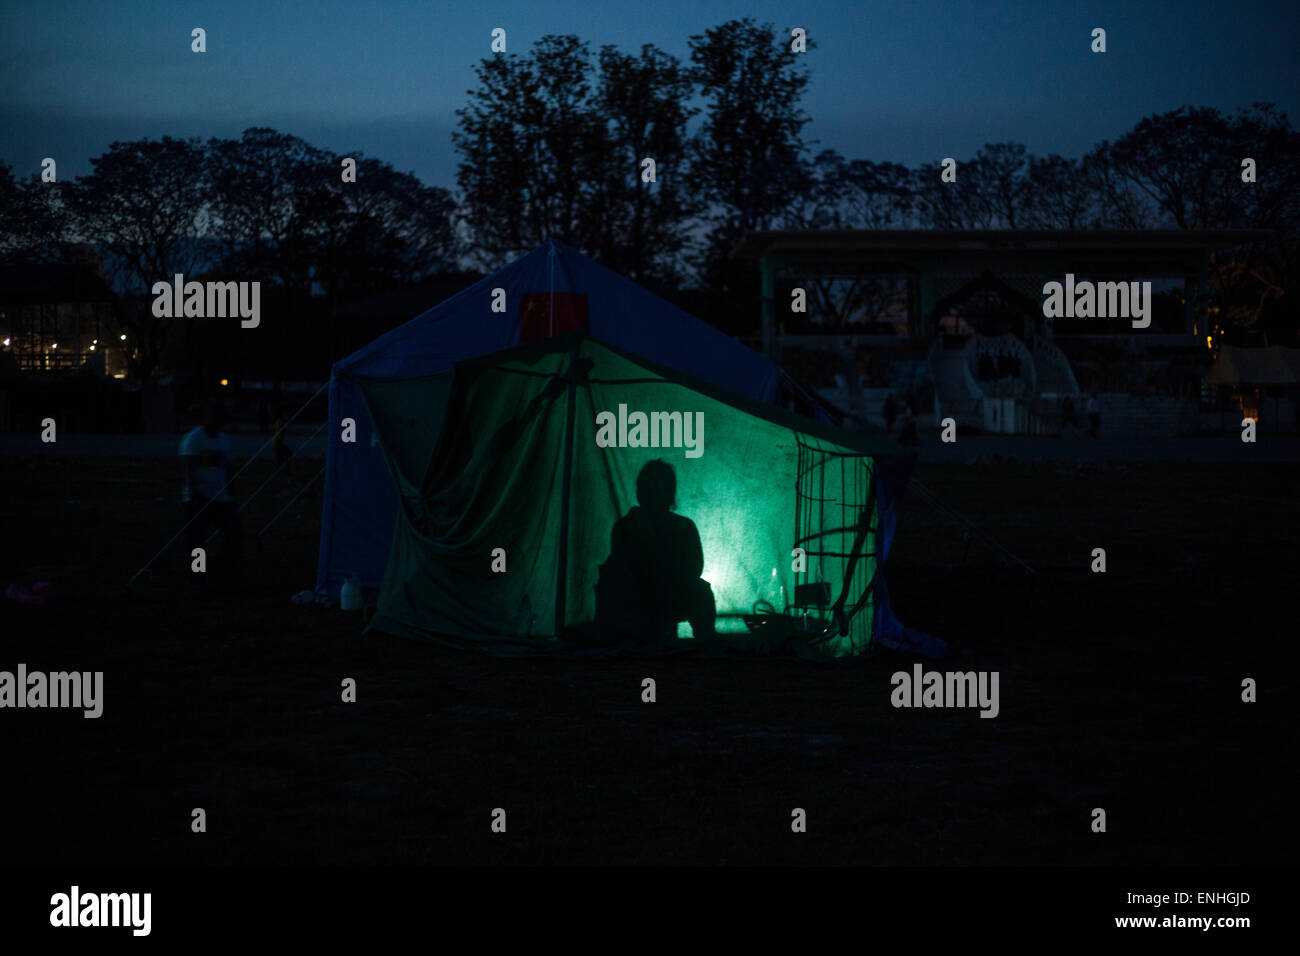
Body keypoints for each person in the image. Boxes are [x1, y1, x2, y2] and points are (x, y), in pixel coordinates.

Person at [595, 460, 716, 645]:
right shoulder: (627, 527)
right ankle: (706, 643)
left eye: (655, 488)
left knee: (701, 591)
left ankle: (705, 642)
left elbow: (694, 569)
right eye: (648, 488)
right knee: (701, 591)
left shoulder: (626, 527)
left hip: (669, 593)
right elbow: (622, 570)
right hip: (639, 595)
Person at [180, 400, 242, 581]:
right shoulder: (193, 439)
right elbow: (188, 469)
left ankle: (227, 570)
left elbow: (228, 468)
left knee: (232, 533)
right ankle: (197, 572)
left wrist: (231, 492)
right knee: (198, 538)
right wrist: (193, 494)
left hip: (222, 497)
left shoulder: (223, 440)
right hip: (200, 497)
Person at [272, 406, 293, 476]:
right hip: (278, 444)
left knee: (280, 459)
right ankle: (286, 470)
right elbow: (280, 430)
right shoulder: (280, 422)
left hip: (276, 443)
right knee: (288, 454)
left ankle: (279, 471)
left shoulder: (278, 422)